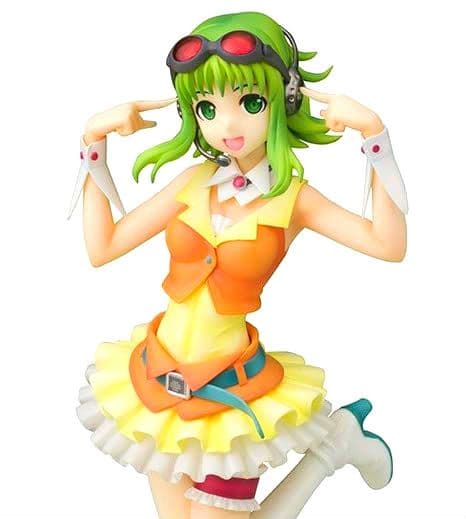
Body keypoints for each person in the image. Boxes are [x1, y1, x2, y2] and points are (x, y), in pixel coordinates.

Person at [72, 11, 408, 519]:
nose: (226, 125)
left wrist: (374, 137)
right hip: (158, 379)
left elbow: (388, 244)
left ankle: (332, 451)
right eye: (207, 107)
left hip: (231, 390)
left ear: (284, 99)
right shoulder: (191, 181)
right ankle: (340, 441)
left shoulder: (294, 198)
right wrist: (92, 146)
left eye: (250, 103)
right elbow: (103, 248)